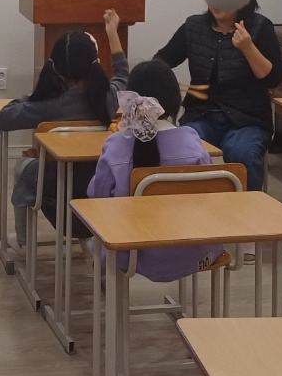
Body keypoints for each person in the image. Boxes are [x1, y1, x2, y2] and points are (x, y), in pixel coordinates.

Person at [87, 58, 225, 281]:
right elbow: (210, 199)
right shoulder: (192, 143)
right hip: (196, 251)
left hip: (133, 254)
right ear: (174, 100)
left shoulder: (116, 146)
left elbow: (97, 197)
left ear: (131, 101)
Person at [155, 0, 282, 192]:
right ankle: (192, 210)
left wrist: (248, 47)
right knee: (181, 148)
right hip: (201, 116)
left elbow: (273, 79)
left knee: (241, 152)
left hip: (248, 120)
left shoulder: (260, 27)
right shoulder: (194, 26)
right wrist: (168, 87)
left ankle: (247, 211)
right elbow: (161, 61)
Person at [0, 21, 129, 246]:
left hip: (55, 191)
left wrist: (33, 96)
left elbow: (3, 118)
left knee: (22, 165)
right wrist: (112, 33)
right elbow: (122, 75)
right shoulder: (109, 100)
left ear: (54, 69)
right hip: (100, 186)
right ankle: (88, 241)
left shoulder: (46, 106)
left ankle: (22, 242)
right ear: (95, 65)